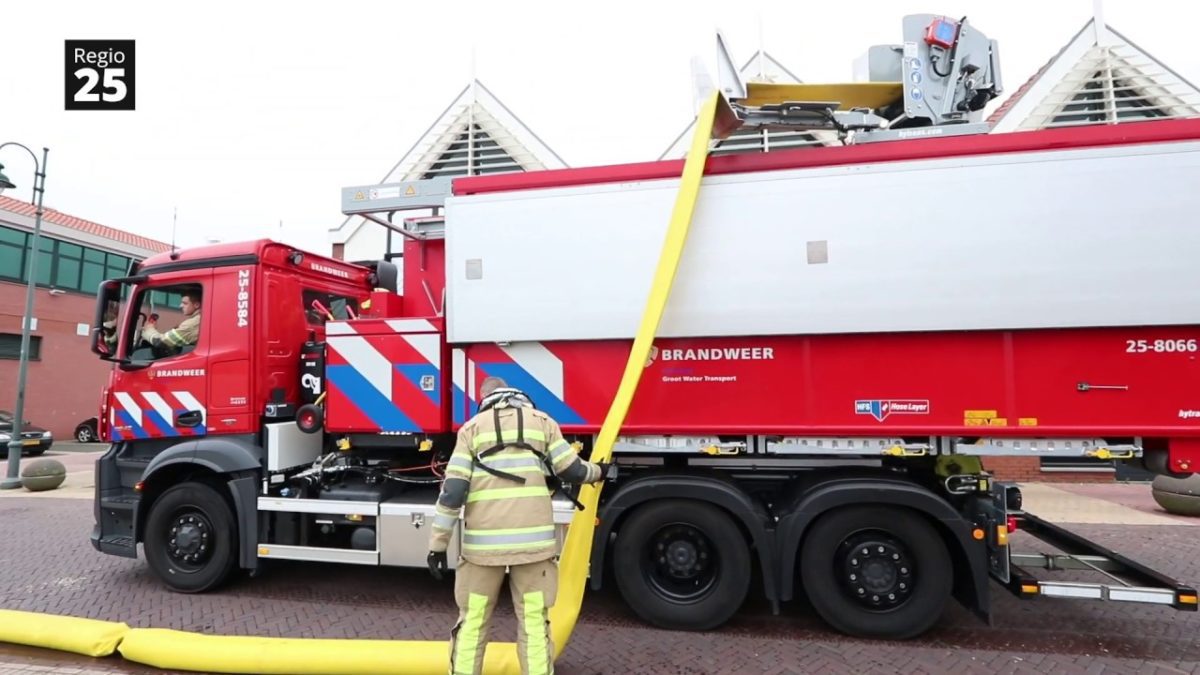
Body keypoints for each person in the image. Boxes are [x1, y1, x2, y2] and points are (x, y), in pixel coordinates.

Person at [427, 376, 614, 675]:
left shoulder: (471, 430)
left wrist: (438, 545)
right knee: (534, 623)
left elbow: (453, 492)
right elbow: (572, 469)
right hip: (534, 549)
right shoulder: (542, 422)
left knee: (473, 622)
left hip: (482, 551)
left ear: (484, 398)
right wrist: (600, 471)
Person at [142, 288, 202, 355]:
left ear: (197, 305)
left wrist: (149, 329)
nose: (180, 306)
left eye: (185, 303)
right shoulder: (200, 320)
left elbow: (161, 342)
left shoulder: (193, 324)